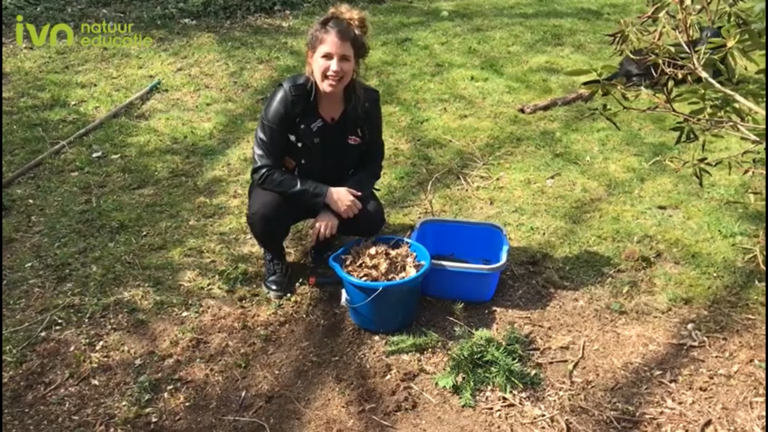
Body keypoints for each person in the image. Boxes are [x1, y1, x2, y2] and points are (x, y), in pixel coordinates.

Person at [246, 3, 386, 300]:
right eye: (327, 57)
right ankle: (274, 256)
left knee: (372, 216)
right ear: (311, 58)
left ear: (355, 64)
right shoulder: (288, 97)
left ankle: (324, 244)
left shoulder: (367, 103)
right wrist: (324, 195)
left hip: (339, 188)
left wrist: (334, 204)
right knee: (262, 214)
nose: (335, 68)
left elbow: (372, 163)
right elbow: (263, 170)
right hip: (289, 187)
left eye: (345, 59)